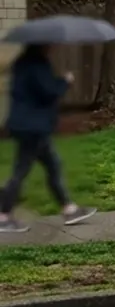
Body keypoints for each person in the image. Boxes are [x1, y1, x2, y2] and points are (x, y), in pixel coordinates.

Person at [0, 45, 95, 232]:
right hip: (33, 127)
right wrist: (65, 81)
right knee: (21, 171)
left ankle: (69, 208)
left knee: (53, 165)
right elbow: (48, 92)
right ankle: (3, 216)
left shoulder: (22, 64)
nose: (52, 47)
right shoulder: (37, 65)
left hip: (27, 125)